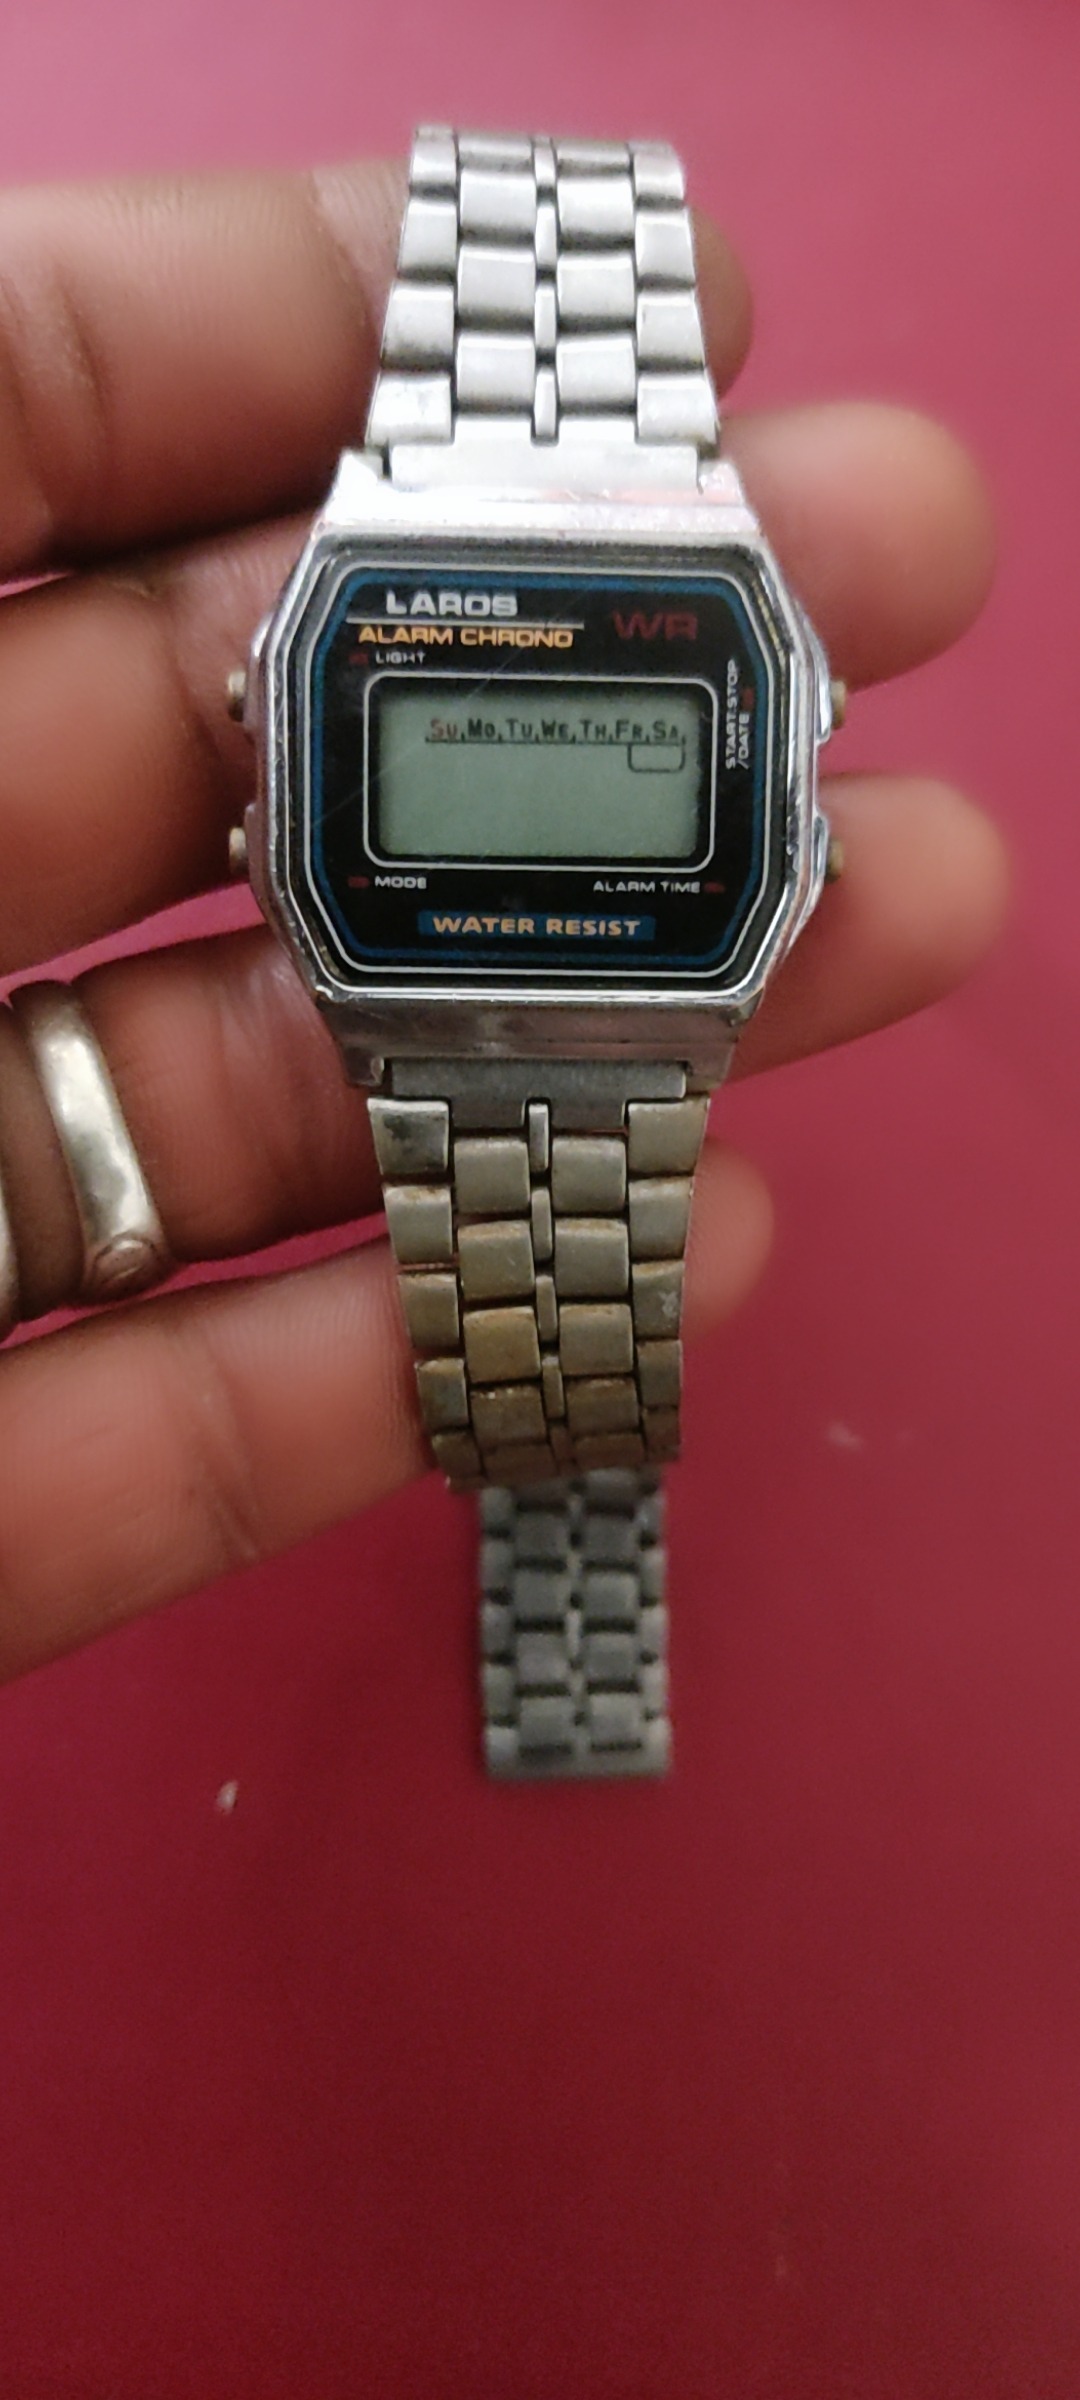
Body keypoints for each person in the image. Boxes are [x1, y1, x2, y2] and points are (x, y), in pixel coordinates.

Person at [0, 157, 1007, 1682]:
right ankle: (558, 1530)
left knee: (555, 1355)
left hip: (585, 1011)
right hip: (478, 1008)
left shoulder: (623, 633)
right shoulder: (647, 638)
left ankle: (563, 1526)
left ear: (795, 730)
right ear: (268, 731)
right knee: (541, 1359)